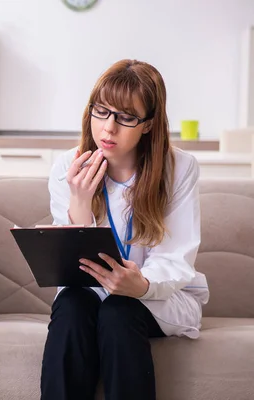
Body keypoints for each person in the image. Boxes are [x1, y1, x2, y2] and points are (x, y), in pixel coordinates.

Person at [40, 59, 210, 400]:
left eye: (126, 117)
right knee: (72, 304)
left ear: (148, 125)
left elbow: (175, 257)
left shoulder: (178, 169)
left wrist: (141, 285)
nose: (108, 128)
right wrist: (80, 200)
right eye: (100, 112)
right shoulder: (68, 166)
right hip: (90, 294)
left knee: (119, 309)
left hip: (159, 296)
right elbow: (71, 268)